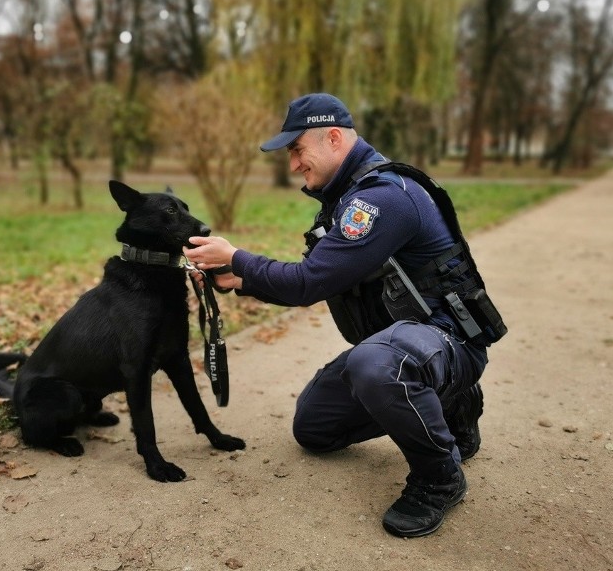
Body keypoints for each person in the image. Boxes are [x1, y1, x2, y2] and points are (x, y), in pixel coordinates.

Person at [184, 92, 502, 538]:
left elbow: (307, 281)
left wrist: (236, 256)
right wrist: (241, 280)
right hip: (406, 347)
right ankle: (451, 406)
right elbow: (318, 282)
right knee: (315, 428)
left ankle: (439, 476)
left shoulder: (383, 198)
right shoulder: (346, 198)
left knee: (374, 365)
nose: (293, 164)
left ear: (334, 138)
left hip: (449, 344)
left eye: (297, 149)